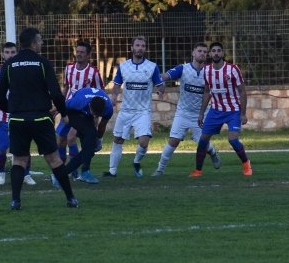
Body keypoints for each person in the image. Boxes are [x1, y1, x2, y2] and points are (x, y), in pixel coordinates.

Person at [0, 27, 75, 210]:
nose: (42, 43)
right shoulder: (42, 63)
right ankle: (70, 198)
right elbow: (55, 93)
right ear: (32, 43)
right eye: (40, 40)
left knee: (19, 161)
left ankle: (15, 201)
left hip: (17, 120)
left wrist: (13, 110)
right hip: (40, 118)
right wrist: (64, 113)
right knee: (54, 159)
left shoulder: (9, 65)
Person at [152, 44, 220, 177]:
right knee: (173, 141)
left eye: (205, 52)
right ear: (193, 53)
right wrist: (159, 82)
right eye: (199, 51)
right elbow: (165, 76)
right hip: (183, 113)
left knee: (203, 143)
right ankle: (160, 169)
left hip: (200, 114)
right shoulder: (183, 68)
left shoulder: (209, 71)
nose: (202, 54)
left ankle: (212, 152)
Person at [104, 36, 164, 179]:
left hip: (143, 111)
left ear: (145, 48)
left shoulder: (152, 66)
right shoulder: (124, 66)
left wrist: (161, 89)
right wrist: (113, 98)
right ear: (132, 48)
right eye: (137, 45)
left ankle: (136, 162)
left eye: (143, 46)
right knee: (118, 139)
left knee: (144, 142)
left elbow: (160, 84)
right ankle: (112, 171)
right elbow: (117, 85)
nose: (140, 48)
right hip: (126, 111)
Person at [194, 42, 252, 177]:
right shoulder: (206, 70)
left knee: (232, 140)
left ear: (222, 53)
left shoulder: (232, 69)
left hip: (233, 110)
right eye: (213, 51)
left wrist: (243, 114)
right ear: (210, 54)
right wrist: (201, 113)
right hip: (215, 110)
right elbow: (207, 91)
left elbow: (242, 92)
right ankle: (198, 170)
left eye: (218, 51)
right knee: (203, 140)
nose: (216, 53)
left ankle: (246, 163)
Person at [0, 41, 38, 185]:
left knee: (24, 148)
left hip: (21, 117)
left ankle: (27, 175)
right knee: (2, 148)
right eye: (7, 52)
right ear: (2, 54)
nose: (10, 55)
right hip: (2, 119)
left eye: (13, 52)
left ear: (17, 53)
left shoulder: (24, 70)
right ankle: (1, 173)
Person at [57, 40, 104, 183]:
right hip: (68, 110)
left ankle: (77, 171)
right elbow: (66, 88)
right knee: (60, 140)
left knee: (73, 138)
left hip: (84, 113)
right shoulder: (69, 68)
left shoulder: (93, 72)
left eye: (82, 52)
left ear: (89, 55)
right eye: (78, 51)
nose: (79, 54)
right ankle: (61, 170)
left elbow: (99, 93)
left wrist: (96, 115)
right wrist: (60, 106)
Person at [56, 87, 113, 183]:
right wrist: (51, 112)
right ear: (89, 105)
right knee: (90, 138)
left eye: (97, 115)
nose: (95, 116)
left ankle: (84, 172)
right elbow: (62, 106)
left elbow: (102, 126)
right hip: (73, 113)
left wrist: (99, 139)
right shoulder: (79, 102)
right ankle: (61, 175)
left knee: (89, 147)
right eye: (94, 113)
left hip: (86, 112)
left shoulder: (108, 108)